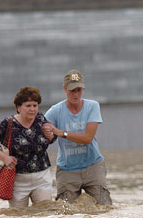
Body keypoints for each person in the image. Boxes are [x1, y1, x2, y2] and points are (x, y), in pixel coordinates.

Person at [42, 70, 112, 205]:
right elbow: (47, 137)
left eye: (79, 90)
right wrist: (49, 134)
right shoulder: (55, 111)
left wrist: (62, 133)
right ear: (64, 89)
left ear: (83, 89)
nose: (75, 94)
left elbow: (88, 138)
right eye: (72, 90)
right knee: (64, 211)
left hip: (93, 166)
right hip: (67, 169)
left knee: (105, 208)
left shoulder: (92, 106)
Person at [0, 86, 54, 207]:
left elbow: (51, 140)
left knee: (46, 214)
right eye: (28, 106)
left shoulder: (40, 119)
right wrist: (5, 158)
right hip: (18, 180)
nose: (32, 109)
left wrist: (50, 135)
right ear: (18, 107)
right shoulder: (8, 123)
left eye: (35, 105)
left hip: (42, 178)